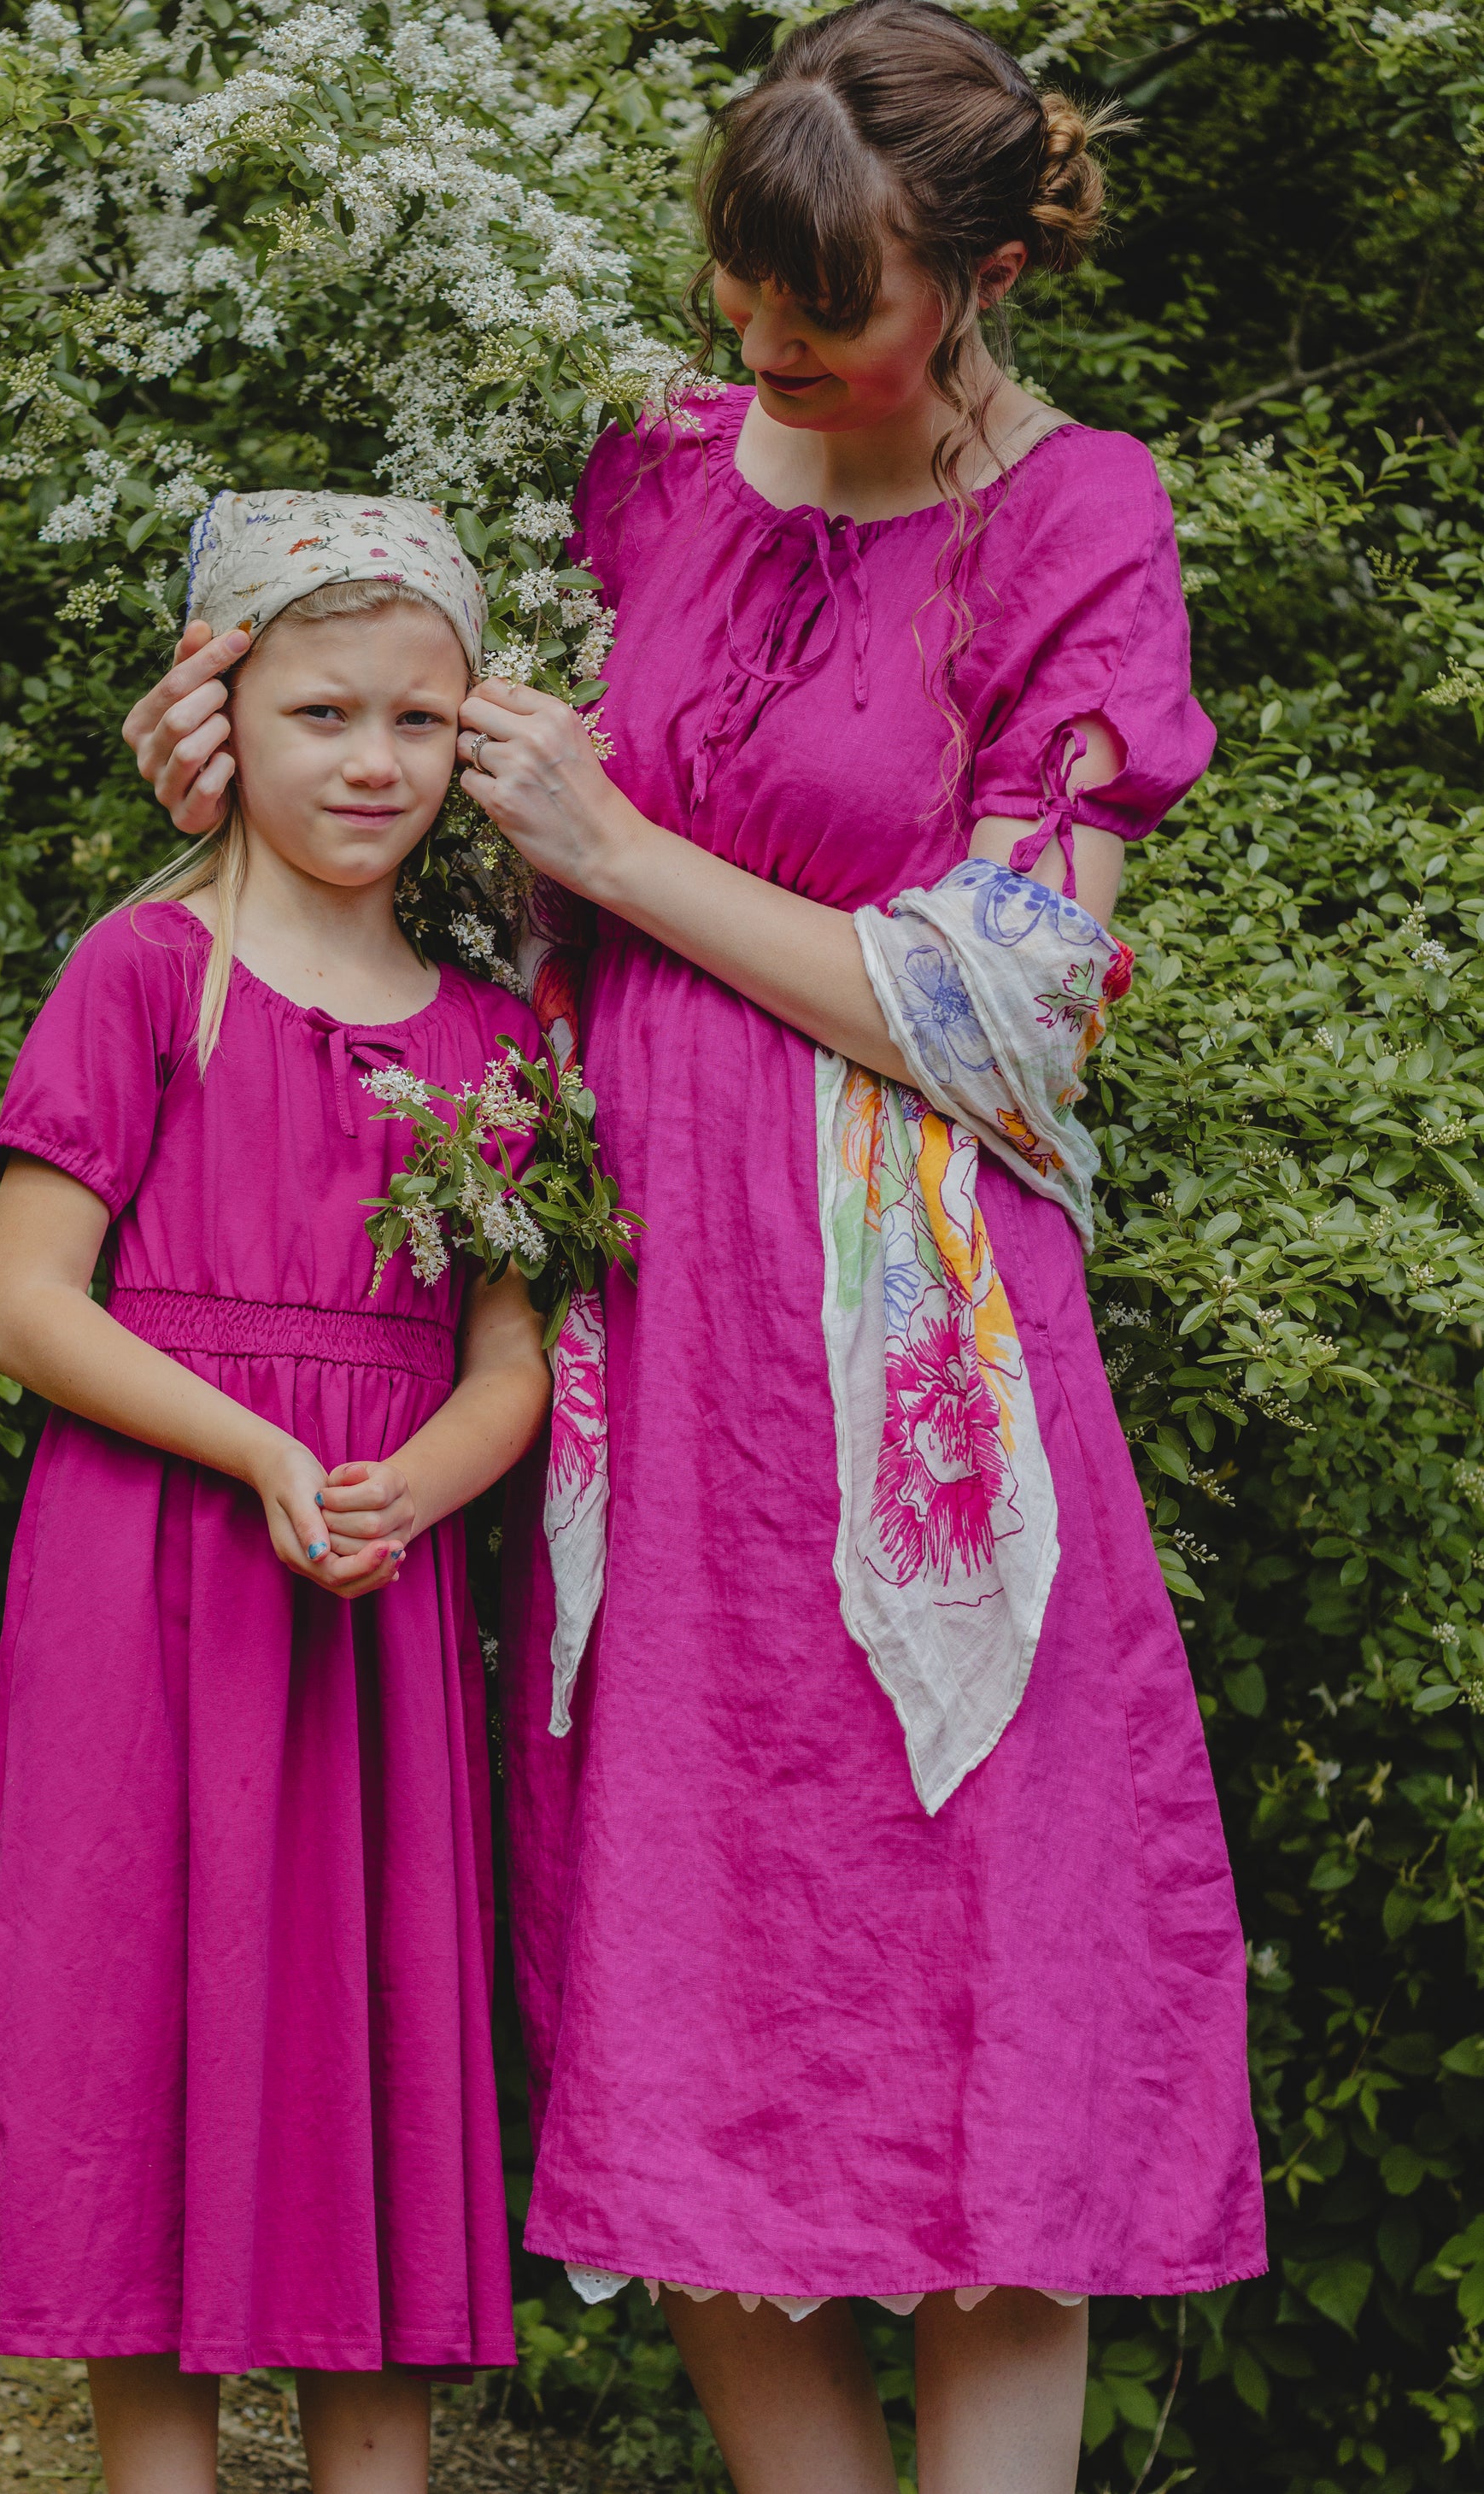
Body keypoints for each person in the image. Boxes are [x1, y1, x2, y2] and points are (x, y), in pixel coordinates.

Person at [124, 9, 1268, 2487]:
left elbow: (1019, 1009)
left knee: (982, 1985)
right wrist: (250, 746)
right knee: (697, 1982)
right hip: (641, 1349)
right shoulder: (657, 471)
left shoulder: (1075, 518)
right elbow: (402, 756)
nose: (768, 363)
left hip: (904, 1364)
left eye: (825, 324)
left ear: (967, 277)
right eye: (743, 308)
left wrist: (626, 852)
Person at [0, 496, 552, 2494]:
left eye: (417, 720)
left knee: (369, 2075)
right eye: (321, 709)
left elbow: (513, 1358)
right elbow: (26, 1302)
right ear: (223, 709)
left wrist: (406, 1487)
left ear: (468, 739)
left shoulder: (496, 1037)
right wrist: (263, 1446)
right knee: (127, 2045)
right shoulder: (144, 970)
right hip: (147, 1587)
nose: (370, 760)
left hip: (369, 1609)